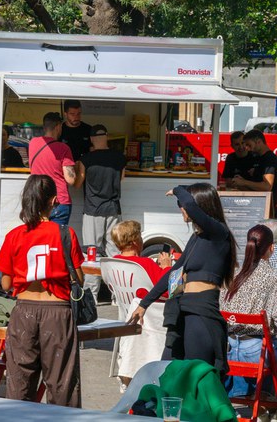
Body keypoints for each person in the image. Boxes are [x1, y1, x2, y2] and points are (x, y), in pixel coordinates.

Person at [0, 174, 85, 407]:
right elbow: (79, 279)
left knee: (19, 382)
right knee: (62, 383)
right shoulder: (66, 233)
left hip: (24, 310)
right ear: (54, 201)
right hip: (56, 311)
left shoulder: (14, 235)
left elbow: (5, 284)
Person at [129, 183, 237, 375]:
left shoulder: (219, 233)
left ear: (199, 205)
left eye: (183, 204)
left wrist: (178, 189)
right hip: (183, 309)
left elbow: (191, 206)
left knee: (194, 375)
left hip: (202, 311)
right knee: (170, 371)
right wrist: (144, 304)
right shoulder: (197, 238)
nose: (182, 208)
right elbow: (174, 274)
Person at [110, 220, 171, 390]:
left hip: (126, 314)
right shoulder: (145, 264)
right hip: (150, 315)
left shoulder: (114, 261)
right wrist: (166, 267)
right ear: (136, 241)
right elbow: (166, 291)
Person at [220, 224, 277, 398]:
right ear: (271, 248)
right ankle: (266, 395)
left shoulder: (234, 273)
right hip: (255, 354)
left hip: (228, 350)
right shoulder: (272, 277)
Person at [76, 124, 126, 299]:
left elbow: (77, 183)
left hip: (93, 211)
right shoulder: (120, 158)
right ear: (107, 136)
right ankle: (117, 295)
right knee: (114, 253)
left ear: (91, 139)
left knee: (92, 254)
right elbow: (122, 178)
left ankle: (92, 296)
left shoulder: (86, 160)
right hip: (113, 209)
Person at [28, 112, 79, 226]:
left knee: (40, 237)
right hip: (59, 200)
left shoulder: (32, 143)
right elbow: (71, 179)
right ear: (58, 126)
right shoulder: (63, 148)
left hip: (38, 198)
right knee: (57, 239)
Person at [233, 130, 277, 203]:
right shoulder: (259, 158)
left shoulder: (269, 159)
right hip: (259, 203)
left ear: (259, 142)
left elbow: (267, 186)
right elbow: (257, 185)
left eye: (249, 145)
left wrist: (244, 182)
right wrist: (242, 183)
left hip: (268, 205)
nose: (247, 148)